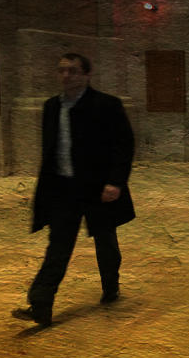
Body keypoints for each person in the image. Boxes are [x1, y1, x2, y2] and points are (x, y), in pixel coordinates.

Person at [12, 53, 135, 327]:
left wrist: (115, 182)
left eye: (74, 71)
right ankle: (40, 305)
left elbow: (123, 146)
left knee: (106, 242)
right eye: (62, 70)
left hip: (98, 188)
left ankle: (110, 286)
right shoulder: (51, 107)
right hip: (64, 189)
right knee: (58, 247)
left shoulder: (106, 105)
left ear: (87, 74)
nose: (67, 76)